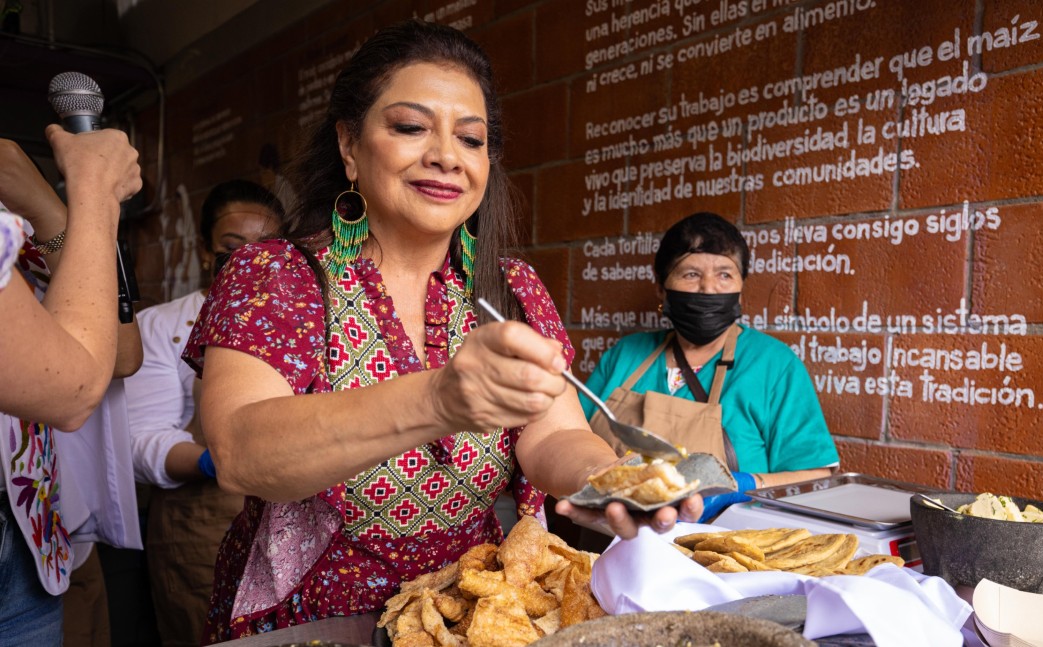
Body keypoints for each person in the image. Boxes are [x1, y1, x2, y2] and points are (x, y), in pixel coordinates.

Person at [183, 20, 702, 642]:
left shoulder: (509, 287)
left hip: (467, 613)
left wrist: (610, 480)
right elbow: (242, 453)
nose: (447, 156)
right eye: (409, 127)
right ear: (349, 145)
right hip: (311, 620)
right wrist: (439, 399)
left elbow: (553, 436)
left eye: (472, 138)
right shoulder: (276, 274)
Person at [581, 212, 839, 523]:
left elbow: (819, 478)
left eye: (725, 274)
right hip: (603, 550)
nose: (708, 288)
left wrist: (744, 487)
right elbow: (570, 436)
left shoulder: (775, 365)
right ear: (661, 288)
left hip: (723, 559)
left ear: (741, 288)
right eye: (690, 274)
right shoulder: (625, 356)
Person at [124, 179, 283, 647]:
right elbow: (141, 440)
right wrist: (213, 461)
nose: (249, 261)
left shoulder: (297, 323)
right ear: (203, 247)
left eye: (265, 248)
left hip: (282, 522)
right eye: (232, 249)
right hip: (197, 530)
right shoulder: (164, 326)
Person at [0, 128, 142, 644]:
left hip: (24, 531)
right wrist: (95, 193)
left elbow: (120, 353)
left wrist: (45, 203)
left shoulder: (16, 228)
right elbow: (73, 389)